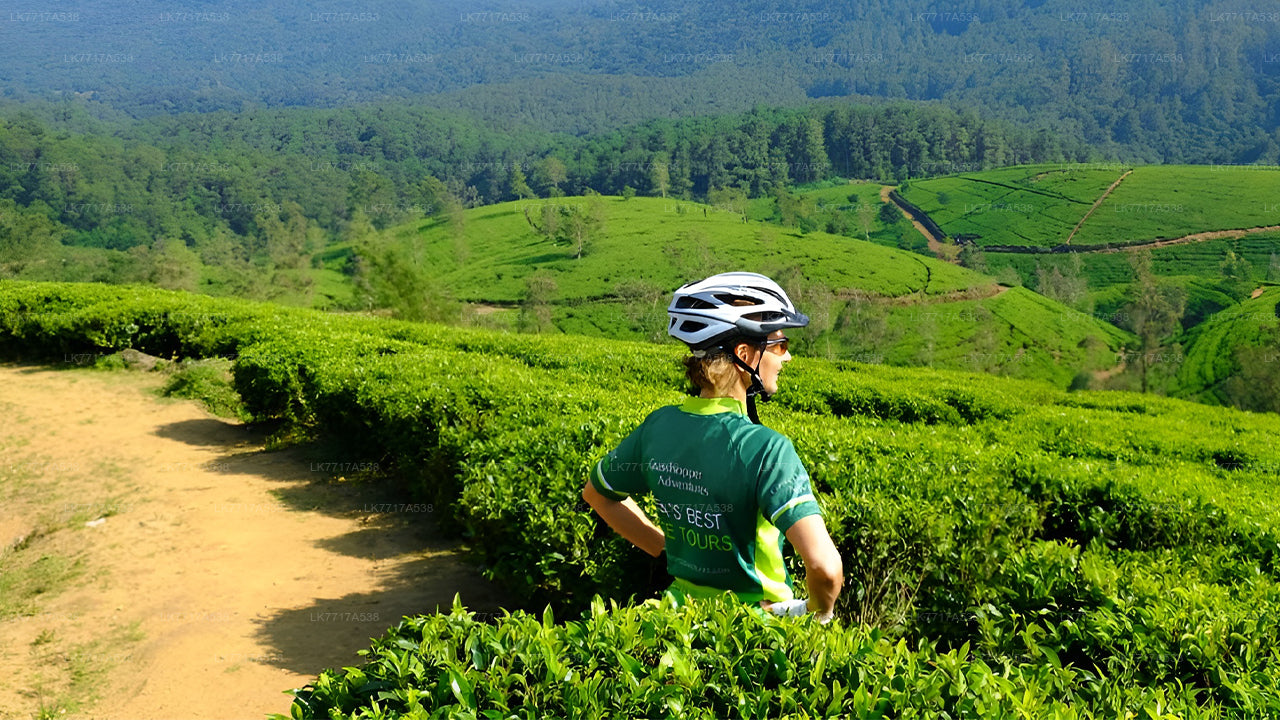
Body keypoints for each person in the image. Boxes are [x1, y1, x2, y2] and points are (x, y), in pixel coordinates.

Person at [582, 271, 843, 622]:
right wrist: (816, 612)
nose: (787, 357)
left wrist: (666, 551)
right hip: (753, 633)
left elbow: (597, 495)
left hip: (676, 622)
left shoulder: (658, 427)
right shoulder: (767, 450)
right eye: (780, 345)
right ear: (744, 353)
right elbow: (825, 568)